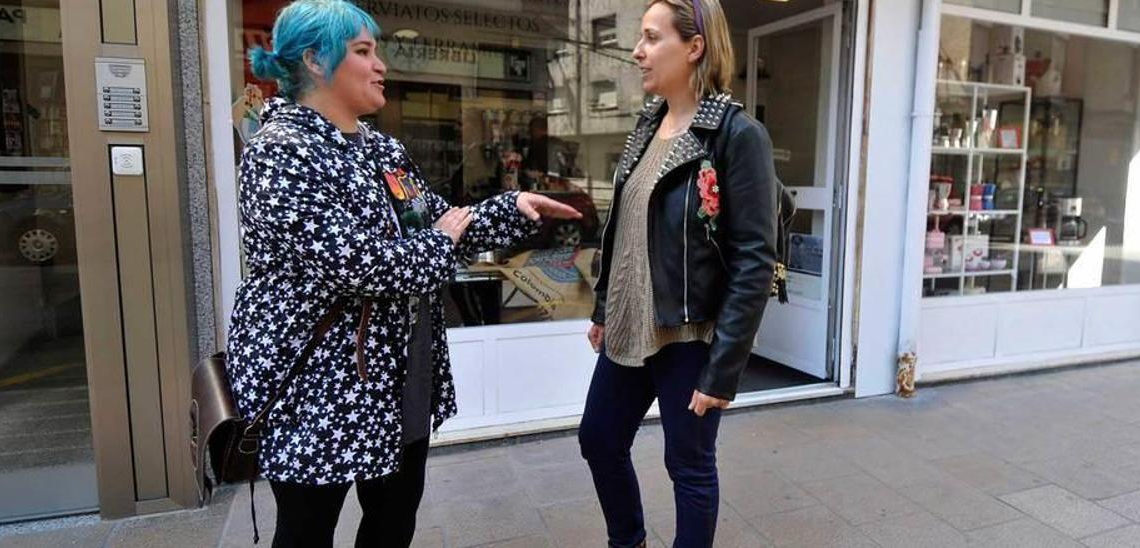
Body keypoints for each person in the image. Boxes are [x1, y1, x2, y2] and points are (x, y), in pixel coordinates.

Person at [225, 2, 579, 547]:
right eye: (363, 51)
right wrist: (439, 241)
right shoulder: (281, 154)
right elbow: (361, 266)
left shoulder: (381, 148)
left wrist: (511, 208)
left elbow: (438, 220)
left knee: (393, 521)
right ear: (316, 61)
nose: (381, 64)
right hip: (319, 386)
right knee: (306, 530)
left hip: (399, 371)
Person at [578, 0, 779, 546]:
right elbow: (622, 229)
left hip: (688, 333)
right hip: (629, 325)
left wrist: (724, 369)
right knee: (598, 439)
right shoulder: (646, 127)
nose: (637, 52)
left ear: (694, 47)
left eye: (650, 38)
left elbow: (754, 259)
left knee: (687, 464)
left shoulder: (737, 136)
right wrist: (603, 308)